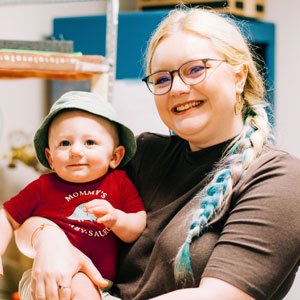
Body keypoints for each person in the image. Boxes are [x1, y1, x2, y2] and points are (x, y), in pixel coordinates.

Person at [15, 5, 300, 300]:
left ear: (239, 77)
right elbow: (29, 222)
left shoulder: (280, 179)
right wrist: (49, 240)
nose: (177, 88)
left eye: (195, 69)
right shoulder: (143, 155)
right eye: (162, 79)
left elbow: (218, 296)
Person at [0, 91, 146, 300]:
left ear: (115, 156)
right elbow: (6, 216)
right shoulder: (43, 186)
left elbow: (138, 224)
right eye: (65, 143)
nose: (76, 151)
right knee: (79, 282)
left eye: (89, 142)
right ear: (50, 158)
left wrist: (117, 219)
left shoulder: (119, 183)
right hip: (46, 280)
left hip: (102, 286)